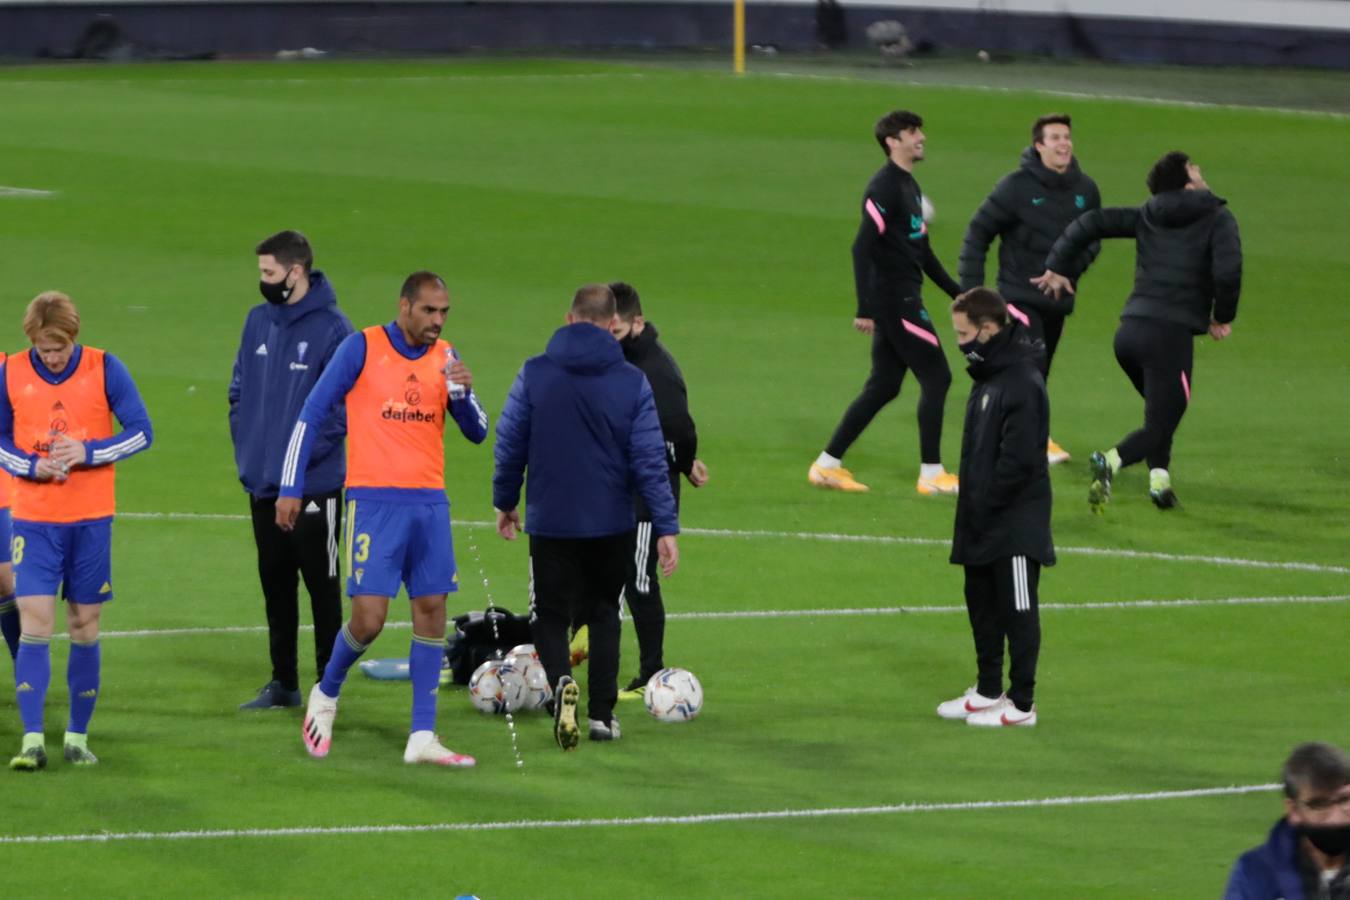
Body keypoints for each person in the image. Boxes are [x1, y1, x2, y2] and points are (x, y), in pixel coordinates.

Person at [277, 271, 489, 767]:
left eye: (444, 313)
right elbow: (310, 414)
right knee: (369, 620)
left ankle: (422, 735)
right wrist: (291, 486)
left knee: (432, 611)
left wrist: (464, 393)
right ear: (405, 306)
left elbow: (478, 432)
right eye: (430, 311)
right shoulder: (362, 348)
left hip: (429, 504)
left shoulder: (447, 358)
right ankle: (326, 694)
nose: (438, 321)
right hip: (375, 503)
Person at [493, 284, 678, 751]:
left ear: (569, 319)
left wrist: (506, 499)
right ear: (612, 324)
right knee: (604, 613)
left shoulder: (535, 373)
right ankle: (600, 716)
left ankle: (560, 690)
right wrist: (665, 525)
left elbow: (510, 438)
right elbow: (650, 459)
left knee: (550, 615)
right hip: (612, 523)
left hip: (552, 519)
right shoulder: (631, 381)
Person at [1035, 151, 1241, 512]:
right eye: (1196, 169)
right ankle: (1111, 461)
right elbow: (1228, 272)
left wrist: (1056, 265)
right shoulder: (1217, 217)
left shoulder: (1148, 214)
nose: (1201, 173)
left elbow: (1091, 223)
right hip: (1168, 336)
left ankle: (1160, 482)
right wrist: (1222, 316)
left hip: (1129, 334)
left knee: (1160, 415)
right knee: (1164, 419)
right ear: (1187, 183)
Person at [0, 291, 154, 770]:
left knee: (84, 624)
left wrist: (88, 454)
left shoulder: (106, 368)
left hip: (90, 519)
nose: (51, 357)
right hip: (34, 519)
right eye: (44, 349)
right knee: (36, 623)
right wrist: (30, 465)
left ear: (74, 337)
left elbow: (142, 430)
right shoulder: (10, 372)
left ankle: (77, 736)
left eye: (59, 348)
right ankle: (31, 740)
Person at [809, 109, 963, 496]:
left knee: (884, 386)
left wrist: (959, 293)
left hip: (903, 296)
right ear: (892, 141)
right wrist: (865, 307)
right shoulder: (884, 187)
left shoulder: (909, 186)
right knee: (938, 377)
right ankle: (931, 474)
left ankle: (827, 465)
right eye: (912, 132)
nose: (921, 137)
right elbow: (862, 246)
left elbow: (922, 251)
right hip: (895, 301)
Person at [229, 230, 353, 710]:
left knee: (322, 589)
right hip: (262, 483)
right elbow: (238, 389)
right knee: (275, 584)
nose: (263, 281)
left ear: (295, 272)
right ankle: (284, 682)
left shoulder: (333, 330)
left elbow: (340, 414)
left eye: (269, 273)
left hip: (316, 488)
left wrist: (293, 472)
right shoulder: (257, 321)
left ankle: (328, 688)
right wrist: (250, 448)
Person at [958, 113, 1101, 465]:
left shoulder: (1086, 190)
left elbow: (1093, 240)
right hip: (1019, 294)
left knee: (1040, 370)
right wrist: (973, 296)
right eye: (1054, 138)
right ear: (1039, 146)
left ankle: (1011, 432)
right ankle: (1033, 440)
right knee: (1031, 365)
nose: (1063, 144)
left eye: (1066, 137)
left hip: (1058, 300)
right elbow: (978, 234)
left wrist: (1066, 271)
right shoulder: (1015, 187)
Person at [938, 288, 1052, 728]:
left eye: (964, 333)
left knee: (1018, 609)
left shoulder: (1022, 381)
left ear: (988, 329)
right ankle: (988, 690)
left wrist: (987, 507)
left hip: (1014, 523)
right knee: (981, 603)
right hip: (982, 518)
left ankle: (1022, 704)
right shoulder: (989, 376)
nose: (960, 342)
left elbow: (1020, 461)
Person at [608, 281, 707, 696]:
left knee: (640, 580)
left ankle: (651, 671)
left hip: (645, 497)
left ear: (637, 323)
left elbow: (681, 431)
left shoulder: (656, 370)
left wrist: (684, 464)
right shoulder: (616, 361)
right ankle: (587, 660)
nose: (606, 338)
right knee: (602, 579)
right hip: (613, 487)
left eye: (614, 331)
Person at [1225, 742, 1350, 899]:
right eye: (1319, 805)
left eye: (1345, 800)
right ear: (1294, 810)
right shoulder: (1255, 872)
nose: (1336, 817)